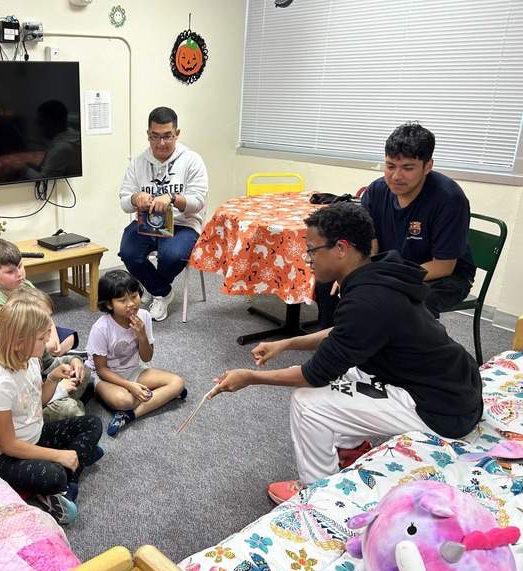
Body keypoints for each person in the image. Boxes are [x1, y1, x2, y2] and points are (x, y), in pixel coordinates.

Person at [208, 202, 482, 505]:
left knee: (308, 403)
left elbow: (313, 375)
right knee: (350, 371)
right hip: (455, 384)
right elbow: (347, 333)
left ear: (341, 248)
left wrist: (250, 377)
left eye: (312, 251)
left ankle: (316, 492)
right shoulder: (380, 271)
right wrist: (286, 343)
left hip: (441, 409)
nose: (308, 259)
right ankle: (351, 449)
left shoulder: (366, 301)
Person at [316, 122, 475, 328]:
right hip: (390, 266)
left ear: (427, 166)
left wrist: (385, 278)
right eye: (390, 166)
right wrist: (354, 270)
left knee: (403, 304)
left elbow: (444, 265)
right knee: (329, 280)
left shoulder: (449, 198)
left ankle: (394, 348)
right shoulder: (376, 191)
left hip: (444, 277)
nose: (396, 176)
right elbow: (369, 245)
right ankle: (334, 342)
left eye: (408, 168)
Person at [0, 298, 103, 525]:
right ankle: (64, 480)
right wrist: (58, 455)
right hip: (0, 457)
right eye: (42, 339)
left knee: (93, 423)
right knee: (55, 475)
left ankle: (63, 479)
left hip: (33, 434)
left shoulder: (31, 359)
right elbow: (8, 445)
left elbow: (38, 402)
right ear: (18, 343)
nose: (48, 343)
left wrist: (52, 378)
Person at [0, 239, 89, 421]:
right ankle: (57, 398)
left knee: (75, 353)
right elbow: (1, 346)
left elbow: (46, 318)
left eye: (20, 266)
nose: (19, 274)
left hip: (31, 336)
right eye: (11, 271)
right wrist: (46, 347)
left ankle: (56, 389)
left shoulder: (25, 285)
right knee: (67, 404)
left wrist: (53, 341)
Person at [118, 106, 208, 321]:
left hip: (183, 224)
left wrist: (172, 198)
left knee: (172, 256)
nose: (161, 143)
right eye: (155, 136)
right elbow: (124, 201)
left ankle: (153, 288)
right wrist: (135, 198)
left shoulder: (192, 160)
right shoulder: (138, 162)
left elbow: (198, 202)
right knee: (128, 252)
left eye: (167, 136)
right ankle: (162, 292)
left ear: (177, 133)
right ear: (148, 135)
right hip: (146, 223)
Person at [86, 270, 186, 436]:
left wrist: (142, 336)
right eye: (122, 300)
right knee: (125, 400)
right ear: (109, 304)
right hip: (107, 376)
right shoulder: (101, 328)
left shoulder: (144, 316)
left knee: (177, 383)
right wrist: (128, 385)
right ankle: (161, 396)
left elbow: (147, 357)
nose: (131, 304)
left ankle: (129, 415)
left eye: (134, 296)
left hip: (134, 370)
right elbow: (101, 369)